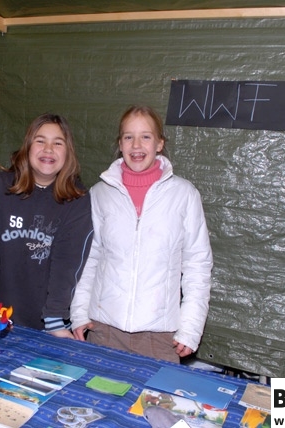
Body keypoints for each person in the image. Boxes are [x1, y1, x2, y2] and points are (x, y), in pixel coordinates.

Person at [70, 105, 213, 362]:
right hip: (103, 331)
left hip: (161, 338)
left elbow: (198, 266)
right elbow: (88, 260)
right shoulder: (99, 194)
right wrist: (79, 312)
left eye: (145, 136)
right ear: (120, 144)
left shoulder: (184, 195)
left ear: (159, 144)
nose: (136, 145)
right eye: (129, 137)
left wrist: (190, 329)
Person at [0, 113, 93, 338]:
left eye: (58, 143)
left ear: (68, 152)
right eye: (40, 140)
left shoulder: (78, 200)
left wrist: (55, 320)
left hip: (50, 324)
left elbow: (67, 266)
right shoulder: (1, 187)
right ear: (27, 147)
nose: (48, 149)